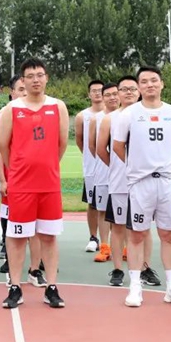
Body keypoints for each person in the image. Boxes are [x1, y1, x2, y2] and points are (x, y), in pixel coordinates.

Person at [112, 66, 171, 308]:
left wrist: (160, 161)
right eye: (144, 81)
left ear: (162, 84)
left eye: (154, 80)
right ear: (139, 87)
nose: (150, 85)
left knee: (168, 234)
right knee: (137, 235)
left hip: (167, 182)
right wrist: (137, 165)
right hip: (140, 183)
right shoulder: (128, 114)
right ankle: (135, 287)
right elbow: (118, 146)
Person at [0, 58, 68, 309]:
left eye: (39, 75)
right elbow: (3, 146)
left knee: (48, 236)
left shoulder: (58, 107)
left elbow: (61, 144)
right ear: (23, 81)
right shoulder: (11, 109)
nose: (35, 79)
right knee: (16, 237)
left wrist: (46, 165)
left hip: (49, 185)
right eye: (30, 76)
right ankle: (15, 287)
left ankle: (51, 287)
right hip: (21, 186)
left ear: (46, 78)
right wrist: (17, 170)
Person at [98, 75, 161, 288]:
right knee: (118, 227)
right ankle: (117, 269)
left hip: (145, 181)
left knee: (144, 228)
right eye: (124, 89)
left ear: (139, 91)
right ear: (118, 93)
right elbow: (101, 149)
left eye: (132, 89)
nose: (128, 93)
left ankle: (144, 268)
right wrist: (120, 167)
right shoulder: (110, 119)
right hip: (119, 182)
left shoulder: (150, 115)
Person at [0, 75, 46, 287]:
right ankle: (11, 264)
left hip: (37, 179)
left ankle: (35, 269)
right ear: (12, 92)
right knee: (13, 226)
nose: (25, 92)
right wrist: (3, 179)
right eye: (20, 89)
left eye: (26, 89)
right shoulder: (6, 113)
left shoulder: (41, 111)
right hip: (14, 179)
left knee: (37, 228)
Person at [89, 83, 119, 262]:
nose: (112, 97)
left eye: (115, 94)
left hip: (124, 174)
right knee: (102, 210)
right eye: (108, 95)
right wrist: (109, 163)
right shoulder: (97, 119)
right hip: (102, 172)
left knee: (122, 212)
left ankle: (123, 247)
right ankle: (105, 247)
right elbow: (92, 145)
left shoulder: (128, 116)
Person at [75, 80, 105, 253]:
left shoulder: (115, 114)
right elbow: (80, 141)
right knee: (93, 204)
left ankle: (111, 240)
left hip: (112, 168)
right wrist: (90, 156)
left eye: (100, 90)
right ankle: (93, 237)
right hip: (92, 168)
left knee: (112, 204)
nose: (97, 93)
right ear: (89, 94)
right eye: (94, 90)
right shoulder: (82, 116)